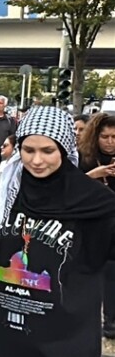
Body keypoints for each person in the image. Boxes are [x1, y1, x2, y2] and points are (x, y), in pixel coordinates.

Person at [0, 106, 115, 356]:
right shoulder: (7, 194)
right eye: (28, 150)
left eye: (47, 151)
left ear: (64, 149)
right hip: (9, 333)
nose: (36, 160)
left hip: (66, 339)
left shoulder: (95, 201)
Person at [76, 113, 115, 338]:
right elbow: (72, 188)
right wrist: (94, 175)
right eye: (105, 137)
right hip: (93, 224)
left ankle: (110, 320)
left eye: (114, 137)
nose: (110, 142)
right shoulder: (86, 157)